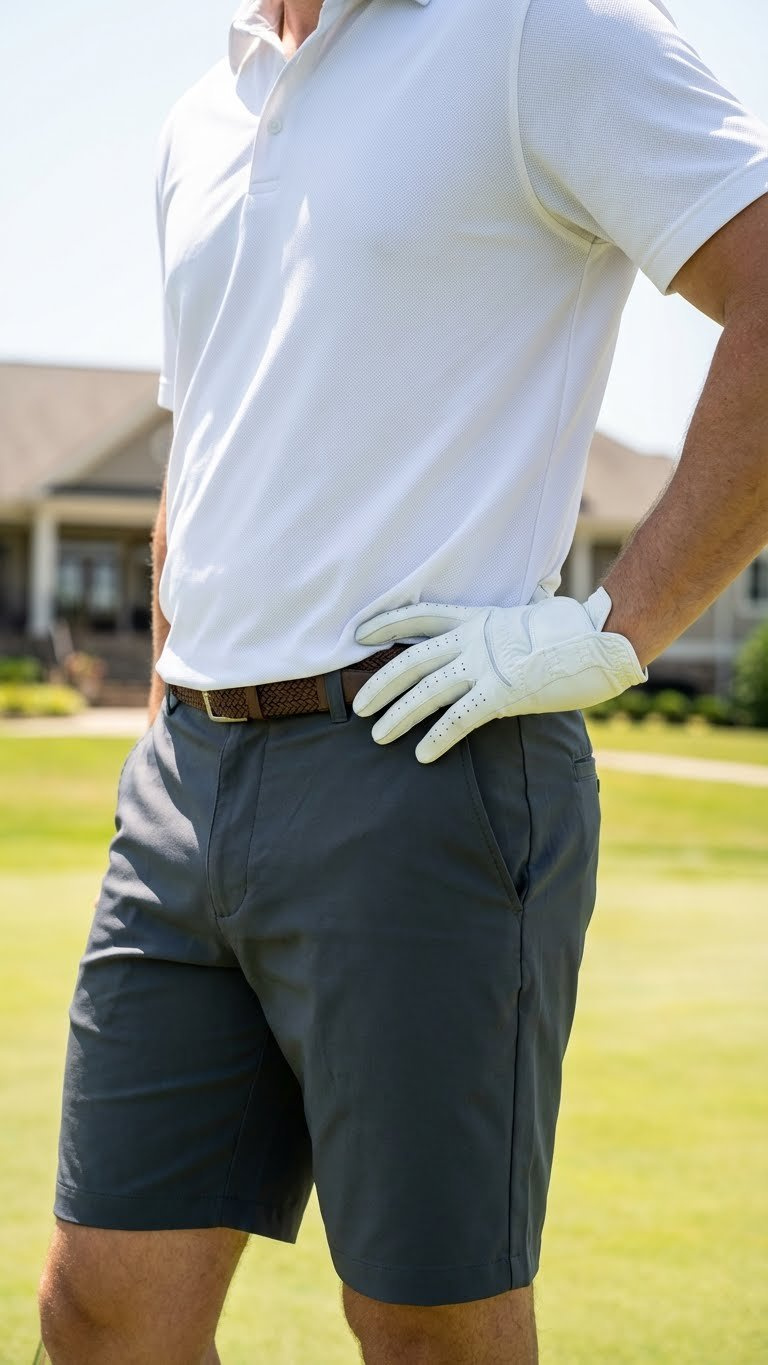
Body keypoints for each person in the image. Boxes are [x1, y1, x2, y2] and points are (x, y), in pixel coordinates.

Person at [38, 1, 768, 1361]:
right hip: (188, 788)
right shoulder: (201, 112)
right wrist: (160, 727)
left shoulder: (542, 28)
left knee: (429, 1330)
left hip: (424, 760)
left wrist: (622, 623)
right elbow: (206, 442)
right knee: (98, 1312)